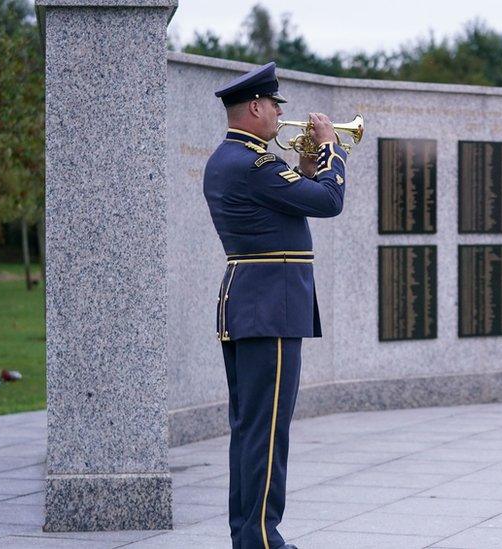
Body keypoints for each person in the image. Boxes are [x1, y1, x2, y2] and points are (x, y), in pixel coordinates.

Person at [203, 61, 348, 549]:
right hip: (271, 306)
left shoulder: (231, 160)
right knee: (267, 434)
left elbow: (292, 199)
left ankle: (248, 535)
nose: (279, 115)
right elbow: (329, 202)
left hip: (248, 301)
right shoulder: (256, 163)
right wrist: (330, 148)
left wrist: (303, 171)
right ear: (257, 107)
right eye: (275, 106)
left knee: (250, 431)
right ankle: (263, 540)